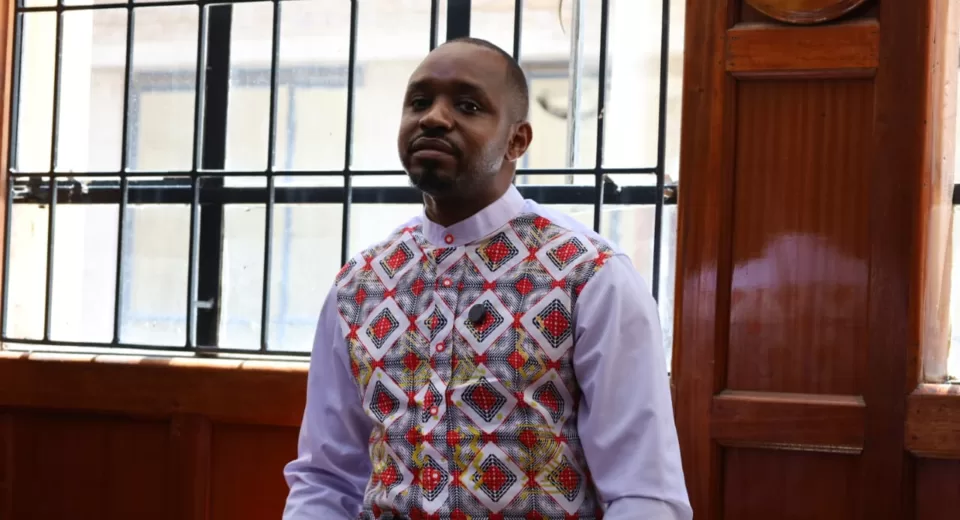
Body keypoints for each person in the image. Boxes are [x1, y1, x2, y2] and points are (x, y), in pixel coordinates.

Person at [282, 37, 691, 520]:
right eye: (418, 102)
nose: (432, 117)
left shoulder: (588, 276)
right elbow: (325, 478)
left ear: (517, 140)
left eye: (468, 105)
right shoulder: (360, 286)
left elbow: (645, 493)